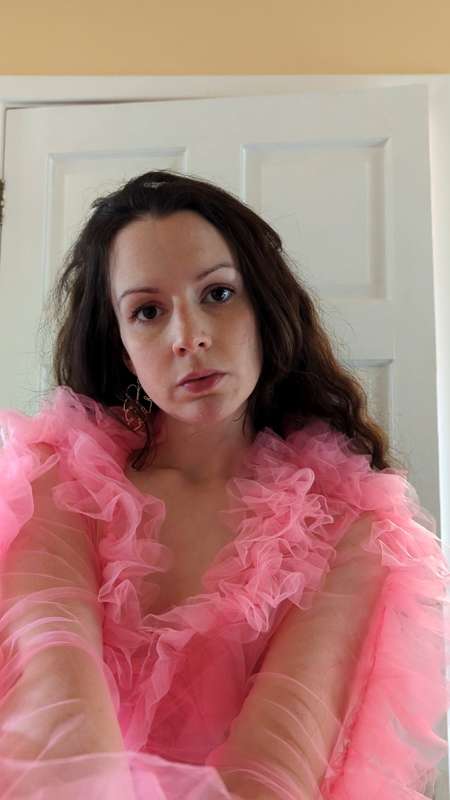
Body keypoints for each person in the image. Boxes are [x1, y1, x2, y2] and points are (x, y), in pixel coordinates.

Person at [0, 169, 448, 800]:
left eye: (217, 293)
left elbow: (278, 765)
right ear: (123, 349)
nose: (190, 337)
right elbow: (54, 718)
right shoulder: (57, 480)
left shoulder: (350, 528)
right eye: (148, 311)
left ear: (262, 306)